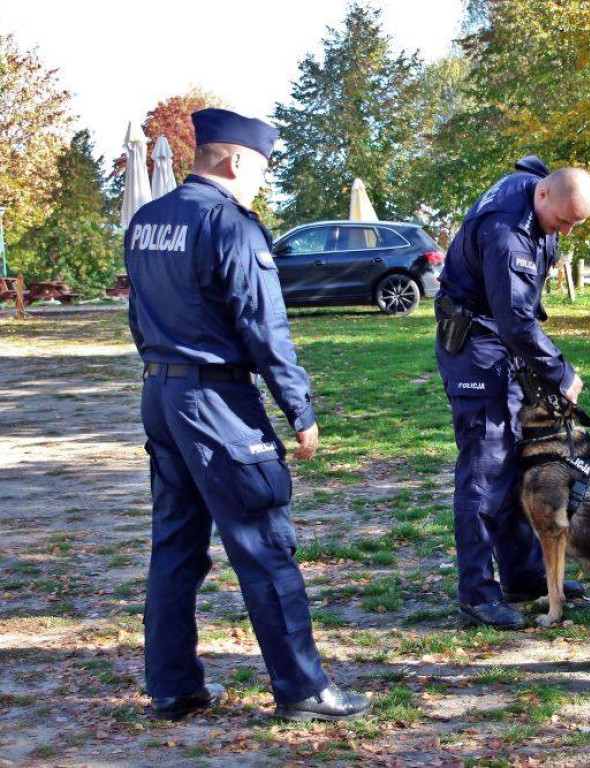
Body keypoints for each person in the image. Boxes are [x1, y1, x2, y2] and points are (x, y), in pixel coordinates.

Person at [125, 108, 370, 722]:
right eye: (261, 169)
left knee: (175, 545)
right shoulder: (229, 223)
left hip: (161, 395)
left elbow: (138, 318)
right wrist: (299, 406)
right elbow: (265, 326)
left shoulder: (146, 221)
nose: (261, 182)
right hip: (217, 403)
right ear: (235, 161)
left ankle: (173, 687)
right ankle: (303, 688)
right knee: (266, 544)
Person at [435, 156, 590, 630]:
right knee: (485, 471)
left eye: (574, 225)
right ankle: (478, 594)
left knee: (512, 459)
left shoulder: (535, 188)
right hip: (477, 346)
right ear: (543, 196)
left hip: (496, 338)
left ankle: (525, 575)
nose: (564, 233)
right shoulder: (509, 234)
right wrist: (560, 372)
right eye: (563, 222)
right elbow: (516, 321)